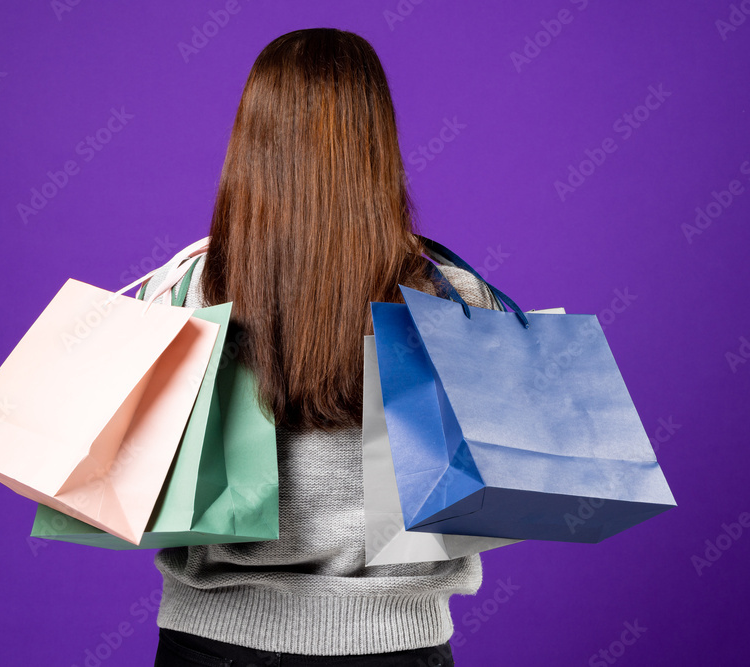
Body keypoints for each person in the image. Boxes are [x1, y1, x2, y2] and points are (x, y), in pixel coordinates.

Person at [149, 28, 503, 666]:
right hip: (400, 645)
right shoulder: (450, 297)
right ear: (378, 143)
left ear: (251, 140)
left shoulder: (188, 290)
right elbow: (504, 485)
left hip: (212, 644)